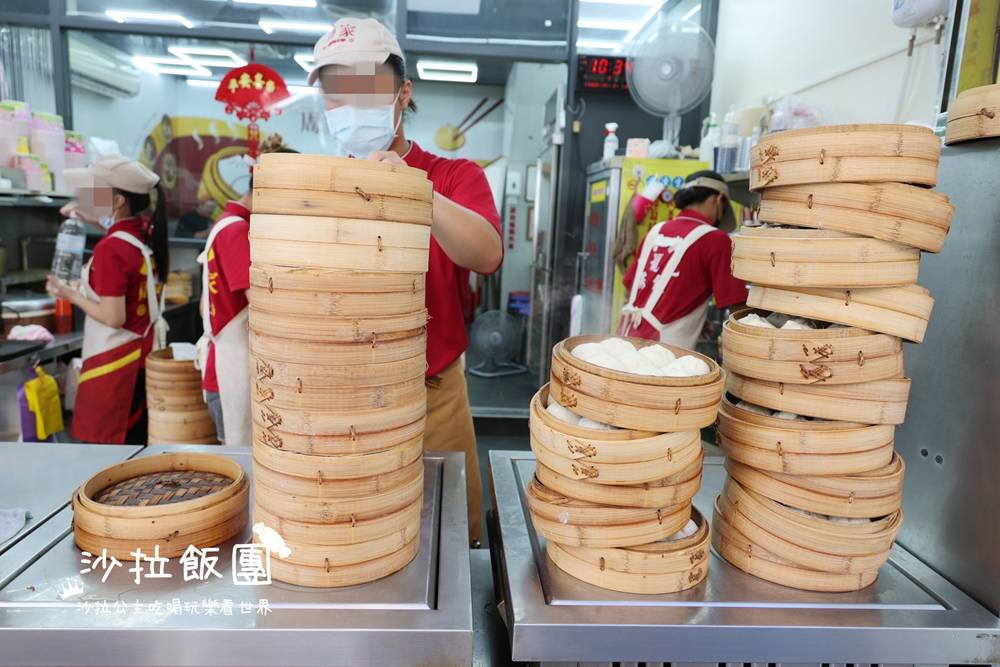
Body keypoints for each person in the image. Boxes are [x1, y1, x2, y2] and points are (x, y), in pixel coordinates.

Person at [309, 18, 503, 545]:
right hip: (343, 399)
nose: (349, 104)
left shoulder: (453, 175)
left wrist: (414, 190)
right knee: (356, 539)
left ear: (403, 92)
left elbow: (485, 253)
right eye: (334, 92)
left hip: (433, 394)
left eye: (365, 86)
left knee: (450, 537)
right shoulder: (320, 189)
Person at [47, 155, 168, 444]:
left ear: (118, 202)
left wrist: (68, 293)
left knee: (112, 454)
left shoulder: (111, 249)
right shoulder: (142, 236)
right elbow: (120, 238)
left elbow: (114, 317)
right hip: (137, 360)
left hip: (114, 365)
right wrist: (92, 217)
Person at [197, 134, 297, 446]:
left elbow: (205, 305)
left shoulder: (232, 225)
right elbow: (263, 306)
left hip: (233, 365)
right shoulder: (236, 232)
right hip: (233, 374)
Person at [619, 170, 747, 349]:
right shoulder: (716, 240)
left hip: (624, 340)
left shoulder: (657, 231)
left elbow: (630, 288)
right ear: (719, 200)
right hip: (663, 355)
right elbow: (737, 307)